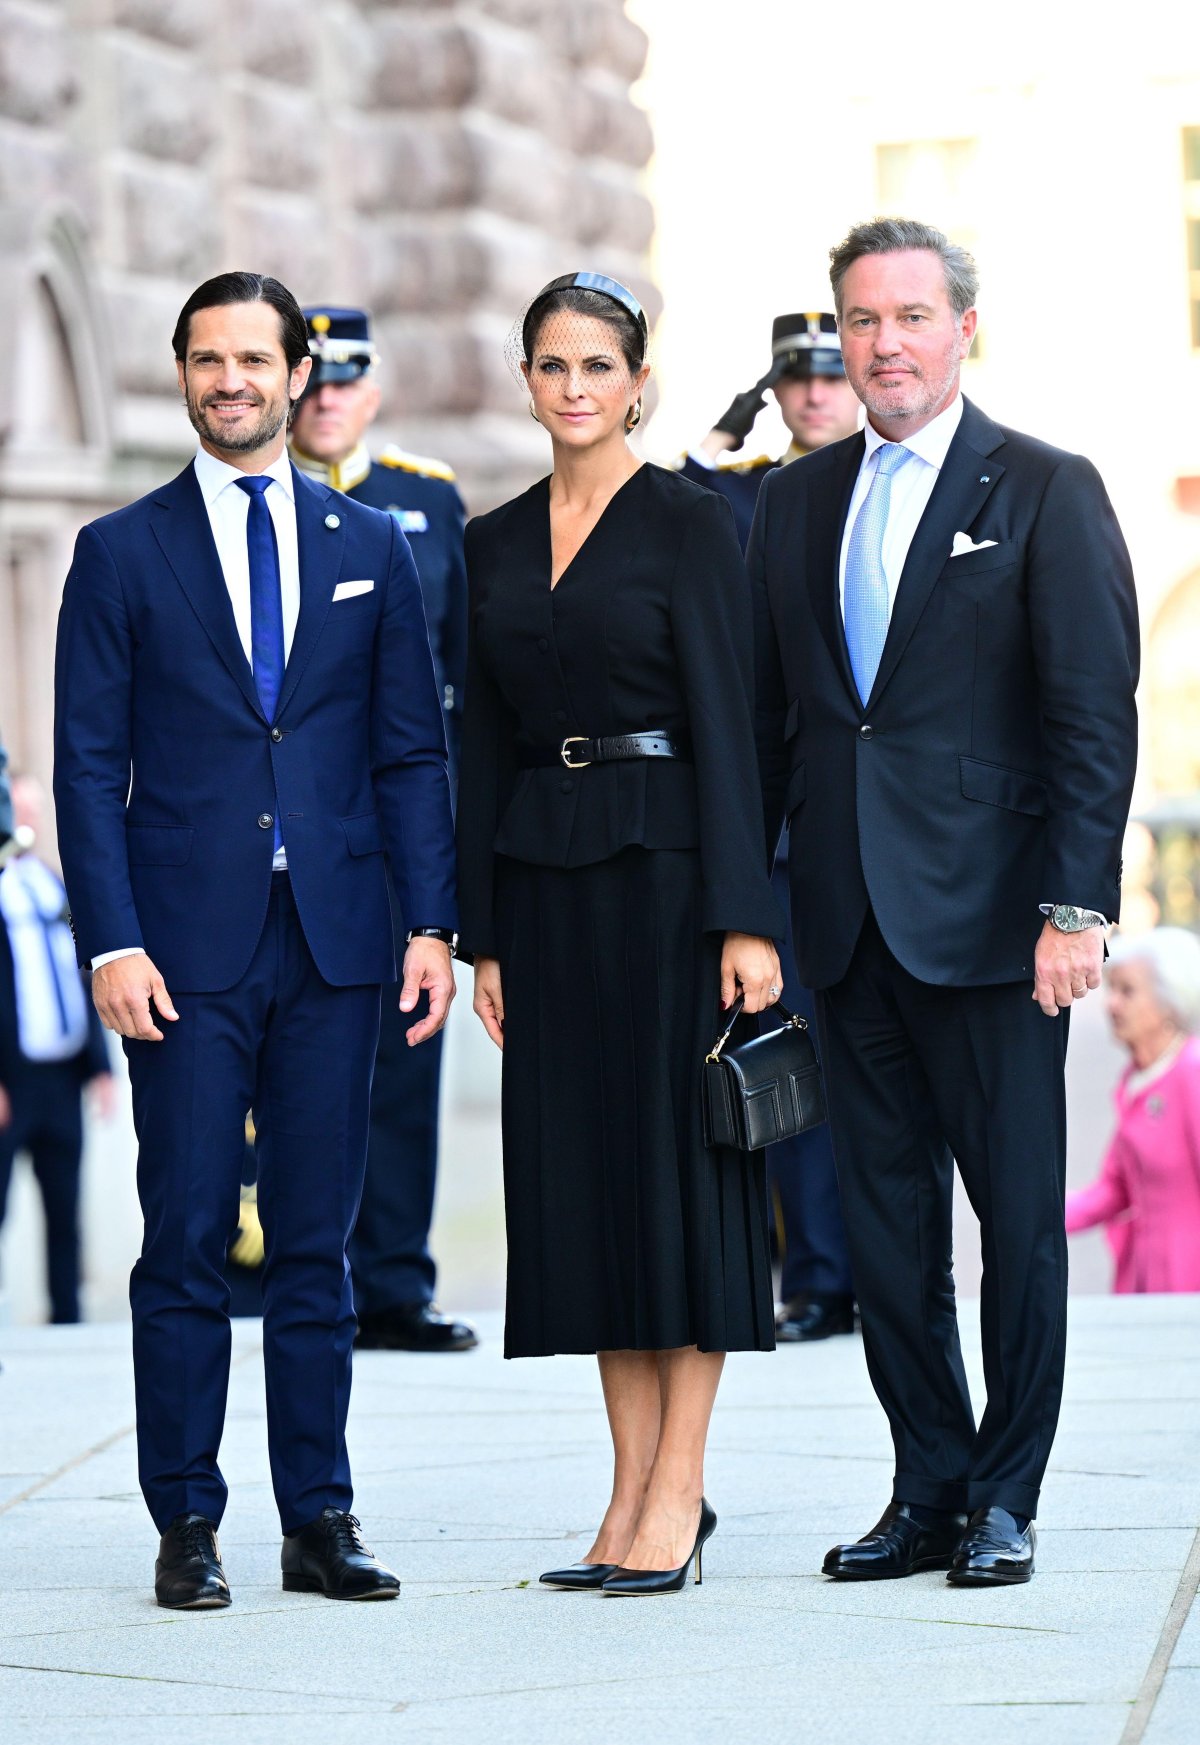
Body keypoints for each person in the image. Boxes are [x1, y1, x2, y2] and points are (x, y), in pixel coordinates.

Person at [53, 270, 457, 1611]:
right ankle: (186, 1521)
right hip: (180, 953)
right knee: (180, 1238)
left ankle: (318, 1516)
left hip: (338, 945)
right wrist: (109, 941)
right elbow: (86, 767)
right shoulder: (120, 553)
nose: (231, 379)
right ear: (183, 375)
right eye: (206, 358)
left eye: (254, 358)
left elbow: (410, 755)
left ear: (298, 376)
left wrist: (430, 923)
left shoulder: (369, 544)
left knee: (314, 1245)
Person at [752, 217, 1139, 1587]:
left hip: (994, 929)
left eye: (911, 316)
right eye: (862, 321)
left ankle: (1008, 1494)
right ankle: (927, 1483)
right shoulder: (797, 502)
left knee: (1017, 1223)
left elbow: (1092, 718)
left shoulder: (1044, 487)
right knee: (884, 1227)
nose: (884, 344)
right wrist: (756, 911)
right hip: (847, 923)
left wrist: (1075, 910)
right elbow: (776, 726)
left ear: (964, 328)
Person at [456, 271, 783, 1597]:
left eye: (600, 364)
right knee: (588, 1192)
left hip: (669, 886)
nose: (577, 385)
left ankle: (681, 1492)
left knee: (681, 1190)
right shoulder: (487, 542)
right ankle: (625, 1491)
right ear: (526, 379)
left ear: (637, 379)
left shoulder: (695, 525)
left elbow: (734, 726)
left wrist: (745, 917)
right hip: (544, 890)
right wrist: (480, 933)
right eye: (553, 364)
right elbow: (477, 742)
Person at [287, 304, 475, 1355]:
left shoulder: (425, 500)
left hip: (403, 819)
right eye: (314, 380)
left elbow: (464, 673)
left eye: (345, 381)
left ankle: (394, 1281)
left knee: (404, 1055)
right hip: (297, 815)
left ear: (375, 389)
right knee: (296, 1053)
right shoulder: (252, 503)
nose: (328, 400)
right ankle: (298, 1270)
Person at [683, 313, 860, 1343]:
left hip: (872, 825)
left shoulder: (888, 485)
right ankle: (820, 1276)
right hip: (783, 829)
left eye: (827, 378)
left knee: (880, 1063)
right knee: (791, 1051)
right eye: (793, 382)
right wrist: (722, 431)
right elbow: (668, 499)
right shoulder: (748, 492)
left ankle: (882, 1271)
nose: (813, 396)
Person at [0, 774, 115, 1323]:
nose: (25, 819)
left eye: (31, 808)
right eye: (14, 807)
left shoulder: (50, 884)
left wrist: (99, 1066)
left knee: (64, 1208)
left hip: (61, 1076)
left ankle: (67, 1316)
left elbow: (79, 974)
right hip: (9, 1078)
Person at [1066, 928, 1200, 1291]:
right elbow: (1115, 1188)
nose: (1111, 1004)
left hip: (1188, 1283)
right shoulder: (1136, 1079)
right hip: (1143, 1278)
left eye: (1127, 991)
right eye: (1112, 990)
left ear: (1169, 1001)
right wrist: (1034, 1216)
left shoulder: (1191, 1072)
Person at [678, 312, 862, 549]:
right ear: (774, 389)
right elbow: (659, 523)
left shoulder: (891, 485)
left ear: (860, 385)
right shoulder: (734, 494)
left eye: (833, 379)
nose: (815, 397)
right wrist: (719, 438)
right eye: (797, 379)